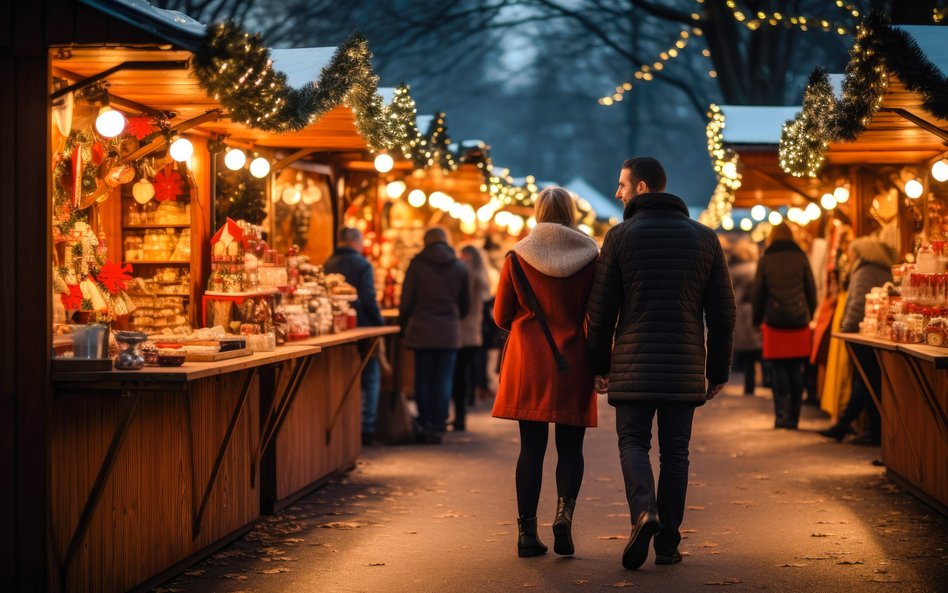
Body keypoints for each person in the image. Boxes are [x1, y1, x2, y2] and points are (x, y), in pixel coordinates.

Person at [587, 157, 735, 570]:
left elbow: (601, 313)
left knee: (632, 442)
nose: (617, 192)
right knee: (676, 453)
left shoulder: (619, 238)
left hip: (633, 363)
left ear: (643, 188)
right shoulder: (705, 239)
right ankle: (668, 543)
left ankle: (643, 512)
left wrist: (599, 364)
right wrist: (717, 370)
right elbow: (723, 313)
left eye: (622, 184)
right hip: (684, 364)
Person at [492, 186, 600, 559]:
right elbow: (598, 315)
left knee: (531, 449)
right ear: (572, 213)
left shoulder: (517, 256)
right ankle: (564, 517)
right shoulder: (591, 256)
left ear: (537, 211)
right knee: (571, 448)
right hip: (573, 361)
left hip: (529, 362)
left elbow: (500, 315)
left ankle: (526, 533)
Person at [818, 236, 896, 445]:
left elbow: (858, 302)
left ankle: (860, 428)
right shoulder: (883, 268)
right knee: (867, 381)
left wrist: (847, 328)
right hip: (874, 333)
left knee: (865, 381)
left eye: (852, 252)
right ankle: (855, 427)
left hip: (860, 333)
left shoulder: (864, 270)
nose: (850, 256)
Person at [399, 227, 470, 438]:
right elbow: (466, 304)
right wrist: (453, 318)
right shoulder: (460, 267)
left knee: (423, 377)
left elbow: (407, 301)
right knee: (444, 378)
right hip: (449, 331)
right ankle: (439, 421)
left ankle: (426, 420)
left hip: (422, 330)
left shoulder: (416, 265)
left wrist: (404, 325)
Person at [752, 223, 817, 430]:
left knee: (778, 368)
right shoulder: (801, 257)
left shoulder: (766, 259)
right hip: (799, 321)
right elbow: (811, 290)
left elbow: (759, 293)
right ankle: (794, 417)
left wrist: (757, 319)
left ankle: (781, 416)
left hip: (775, 320)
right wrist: (809, 314)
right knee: (796, 368)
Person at [324, 227, 384, 446]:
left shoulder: (328, 263)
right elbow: (369, 297)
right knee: (370, 375)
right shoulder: (363, 264)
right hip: (363, 327)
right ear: (356, 242)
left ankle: (347, 426)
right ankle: (367, 427)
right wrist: (379, 322)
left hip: (334, 327)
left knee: (344, 375)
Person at [452, 245, 489, 431]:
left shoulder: (465, 274)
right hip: (474, 330)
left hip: (461, 330)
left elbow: (460, 303)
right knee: (467, 371)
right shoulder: (482, 276)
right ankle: (466, 406)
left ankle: (459, 415)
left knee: (458, 375)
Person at [730, 239, 762, 396]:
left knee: (747, 350)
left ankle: (748, 383)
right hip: (754, 309)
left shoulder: (733, 270)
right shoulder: (756, 268)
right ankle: (762, 379)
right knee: (757, 347)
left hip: (740, 311)